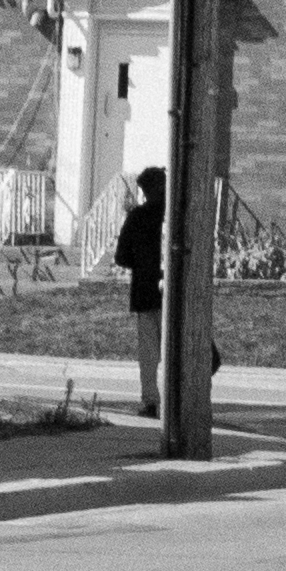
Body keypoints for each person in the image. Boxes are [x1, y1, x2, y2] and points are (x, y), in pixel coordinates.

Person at [110, 164, 169, 417]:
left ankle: (151, 400)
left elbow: (121, 256)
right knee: (174, 348)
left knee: (148, 352)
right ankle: (177, 398)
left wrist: (142, 262)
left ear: (143, 190)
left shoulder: (137, 217)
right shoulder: (174, 216)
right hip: (172, 292)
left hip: (145, 290)